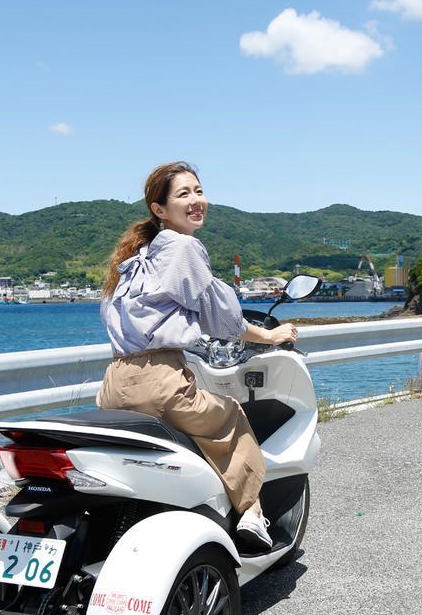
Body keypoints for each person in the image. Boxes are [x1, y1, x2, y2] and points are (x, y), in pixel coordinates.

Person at [96, 161, 297, 549]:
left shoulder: (138, 257)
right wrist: (270, 336)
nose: (196, 201)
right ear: (159, 209)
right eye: (183, 194)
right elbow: (224, 319)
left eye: (199, 191)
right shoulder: (185, 247)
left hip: (114, 384)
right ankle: (252, 513)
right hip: (160, 380)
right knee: (230, 416)